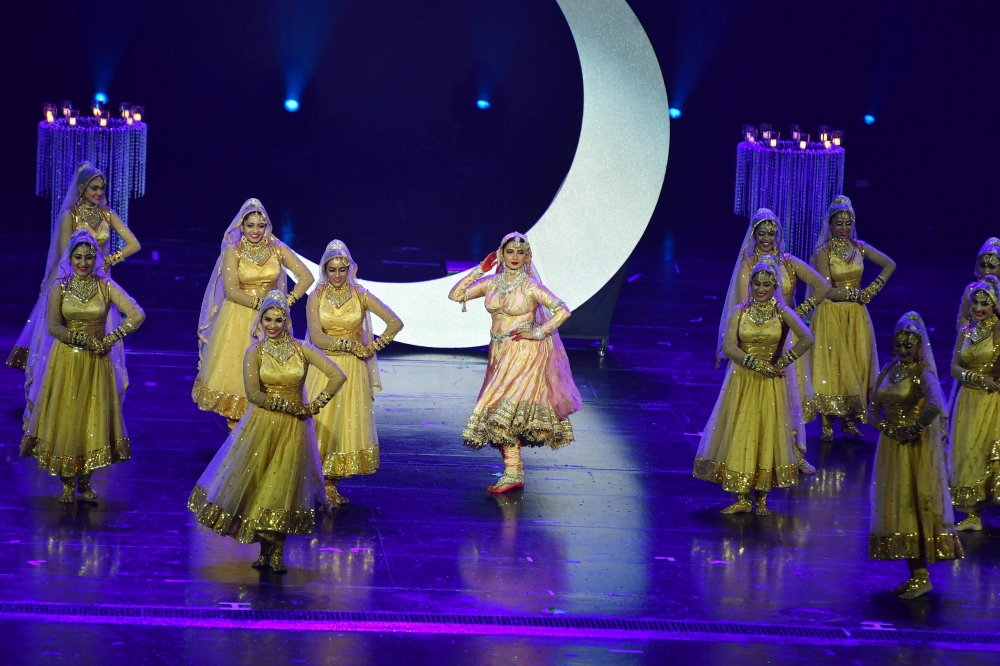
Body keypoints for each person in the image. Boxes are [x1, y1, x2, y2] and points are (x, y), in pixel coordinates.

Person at [188, 291, 345, 573]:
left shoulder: (302, 348)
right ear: (260, 321)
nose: (272, 325)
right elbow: (253, 395)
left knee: (282, 487)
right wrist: (289, 406)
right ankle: (264, 550)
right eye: (268, 319)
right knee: (260, 487)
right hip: (263, 424)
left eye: (278, 320)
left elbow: (337, 375)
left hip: (294, 428)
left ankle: (278, 552)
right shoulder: (254, 352)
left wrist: (314, 406)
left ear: (287, 321)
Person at [448, 232, 582, 493]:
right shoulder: (491, 282)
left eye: (521, 253)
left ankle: (513, 473)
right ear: (501, 254)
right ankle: (513, 473)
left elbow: (563, 310)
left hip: (526, 352)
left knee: (500, 412)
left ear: (527, 256)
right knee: (499, 413)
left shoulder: (531, 286)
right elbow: (456, 295)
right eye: (510, 252)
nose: (515, 257)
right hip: (499, 352)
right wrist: (479, 269)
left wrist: (539, 332)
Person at [20, 228, 145, 502]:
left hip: (97, 362)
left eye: (89, 257)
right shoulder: (60, 287)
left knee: (91, 416)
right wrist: (80, 340)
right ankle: (67, 481)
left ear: (96, 258)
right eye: (78, 257)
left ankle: (85, 481)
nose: (84, 263)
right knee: (68, 416)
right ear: (71, 258)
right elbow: (53, 327)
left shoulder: (105, 286)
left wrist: (112, 337)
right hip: (67, 360)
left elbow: (137, 313)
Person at [9, 163, 141, 399]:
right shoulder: (70, 215)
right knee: (64, 334)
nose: (99, 193)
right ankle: (58, 392)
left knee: (100, 332)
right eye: (94, 188)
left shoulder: (107, 214)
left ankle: (94, 391)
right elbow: (64, 255)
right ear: (82, 188)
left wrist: (107, 261)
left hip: (99, 283)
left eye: (101, 188)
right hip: (72, 281)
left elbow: (134, 244)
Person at [695, 256, 813, 515]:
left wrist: (784, 360)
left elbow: (807, 337)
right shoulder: (740, 311)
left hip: (771, 385)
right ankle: (741, 497)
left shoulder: (782, 313)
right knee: (742, 431)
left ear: (775, 287)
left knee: (766, 433)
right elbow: (729, 347)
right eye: (756, 284)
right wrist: (757, 365)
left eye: (766, 285)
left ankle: (761, 499)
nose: (760, 289)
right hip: (743, 380)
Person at [718, 208, 830, 473]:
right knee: (759, 400)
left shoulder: (788, 262)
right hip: (758, 339)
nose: (767, 237)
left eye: (772, 232)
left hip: (787, 338)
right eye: (762, 232)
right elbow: (744, 304)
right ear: (754, 234)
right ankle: (755, 452)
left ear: (778, 234)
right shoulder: (748, 266)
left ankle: (795, 453)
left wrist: (796, 315)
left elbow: (822, 286)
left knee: (792, 395)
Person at [193, 198, 314, 427]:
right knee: (238, 384)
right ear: (242, 226)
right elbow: (232, 291)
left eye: (260, 225)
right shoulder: (233, 250)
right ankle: (236, 448)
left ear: (266, 225)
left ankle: (261, 443)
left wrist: (286, 302)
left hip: (271, 324)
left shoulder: (276, 248)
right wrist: (267, 304)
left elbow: (306, 276)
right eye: (250, 225)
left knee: (271, 380)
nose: (255, 231)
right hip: (238, 319)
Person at [868, 312, 963, 599]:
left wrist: (912, 429)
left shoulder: (923, 372)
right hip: (891, 448)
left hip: (915, 448)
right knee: (897, 505)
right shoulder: (887, 370)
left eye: (909, 345)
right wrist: (886, 427)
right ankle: (915, 574)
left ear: (919, 345)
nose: (903, 350)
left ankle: (922, 576)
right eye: (899, 345)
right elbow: (871, 411)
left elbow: (936, 404)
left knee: (913, 503)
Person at [305, 240, 403, 505]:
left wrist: (373, 347)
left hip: (353, 371)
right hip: (325, 367)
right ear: (325, 269)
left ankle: (330, 484)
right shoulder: (316, 296)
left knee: (344, 422)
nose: (337, 275)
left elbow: (395, 322)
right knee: (320, 422)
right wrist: (351, 345)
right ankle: (314, 481)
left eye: (342, 269)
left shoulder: (360, 294)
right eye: (332, 269)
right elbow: (316, 337)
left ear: (350, 268)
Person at [810, 196, 896, 441]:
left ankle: (848, 420)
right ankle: (827, 422)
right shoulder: (823, 252)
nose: (844, 228)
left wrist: (872, 290)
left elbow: (890, 264)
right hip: (831, 313)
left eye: (848, 222)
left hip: (856, 314)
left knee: (856, 364)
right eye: (839, 223)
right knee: (832, 366)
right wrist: (855, 293)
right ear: (831, 224)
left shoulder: (859, 247)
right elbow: (825, 289)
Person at [948, 276, 1000, 531]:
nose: (979, 308)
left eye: (985, 304)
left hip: (992, 402)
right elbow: (954, 369)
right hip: (968, 398)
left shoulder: (998, 330)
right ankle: (972, 515)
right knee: (967, 453)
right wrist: (978, 378)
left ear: (995, 305)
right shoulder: (965, 331)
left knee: (988, 453)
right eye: (976, 303)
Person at [954, 238, 1000, 331]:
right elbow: (962, 319)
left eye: (991, 267)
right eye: (982, 266)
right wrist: (968, 336)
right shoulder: (971, 290)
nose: (986, 271)